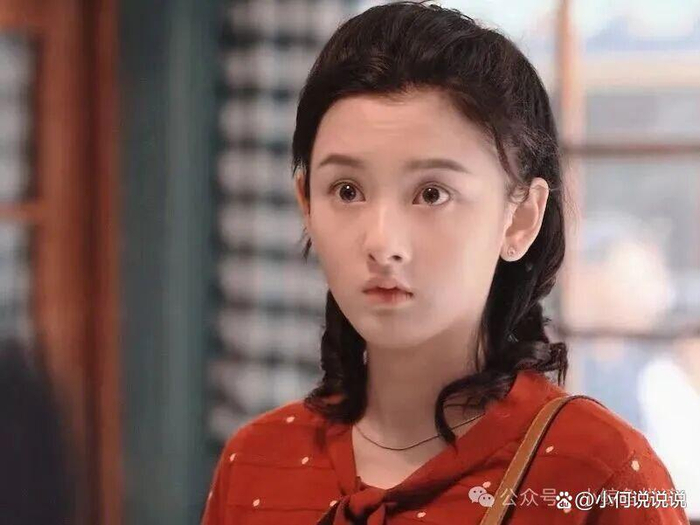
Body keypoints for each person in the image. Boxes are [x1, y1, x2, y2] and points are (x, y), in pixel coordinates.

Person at [202, 2, 690, 523]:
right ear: (306, 205)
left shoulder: (603, 473)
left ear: (521, 217)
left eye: (432, 194)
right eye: (346, 190)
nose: (382, 242)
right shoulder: (254, 459)